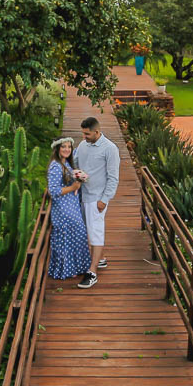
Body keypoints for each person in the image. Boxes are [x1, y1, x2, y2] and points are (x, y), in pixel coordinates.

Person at [72, 116, 119, 289]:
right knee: (88, 230)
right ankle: (101, 259)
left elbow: (113, 178)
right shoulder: (83, 145)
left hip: (96, 199)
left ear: (97, 132)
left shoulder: (110, 149)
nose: (84, 137)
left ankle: (92, 272)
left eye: (87, 134)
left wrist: (104, 200)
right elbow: (75, 164)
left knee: (96, 232)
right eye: (83, 133)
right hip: (81, 196)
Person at [46, 137, 90, 280]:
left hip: (71, 205)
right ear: (57, 149)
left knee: (77, 234)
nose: (67, 149)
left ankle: (76, 267)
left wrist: (79, 179)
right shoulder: (55, 166)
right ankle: (66, 269)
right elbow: (53, 191)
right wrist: (72, 187)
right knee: (72, 234)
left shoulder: (66, 163)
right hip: (63, 208)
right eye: (63, 147)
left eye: (69, 147)